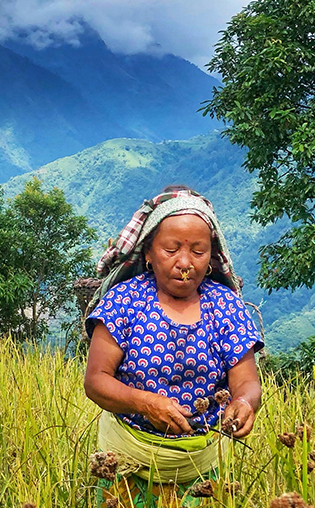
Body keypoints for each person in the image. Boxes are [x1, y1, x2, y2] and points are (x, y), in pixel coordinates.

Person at [83, 186, 263, 508]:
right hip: (126, 463)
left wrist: (245, 403)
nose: (185, 263)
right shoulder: (124, 302)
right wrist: (144, 403)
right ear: (148, 253)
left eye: (198, 251)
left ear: (211, 257)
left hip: (201, 473)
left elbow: (247, 381)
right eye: (171, 250)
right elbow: (96, 381)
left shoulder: (225, 306)